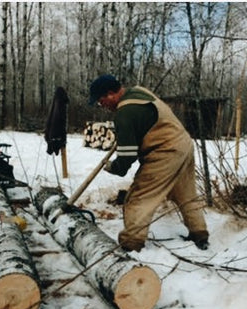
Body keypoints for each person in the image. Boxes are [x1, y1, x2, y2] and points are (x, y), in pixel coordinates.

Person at [88, 74, 210, 252]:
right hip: (183, 144)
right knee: (185, 193)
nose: (102, 106)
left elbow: (126, 159)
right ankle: (199, 233)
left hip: (165, 151)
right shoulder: (139, 92)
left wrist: (112, 166)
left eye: (101, 100)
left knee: (140, 196)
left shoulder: (125, 114)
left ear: (110, 94)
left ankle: (131, 242)